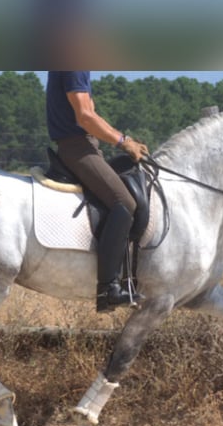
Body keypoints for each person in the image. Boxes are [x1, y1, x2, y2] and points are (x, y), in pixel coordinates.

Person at [46, 71, 149, 312]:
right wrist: (123, 141)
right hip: (77, 147)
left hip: (86, 146)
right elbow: (84, 116)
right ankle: (107, 289)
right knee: (124, 202)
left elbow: (89, 113)